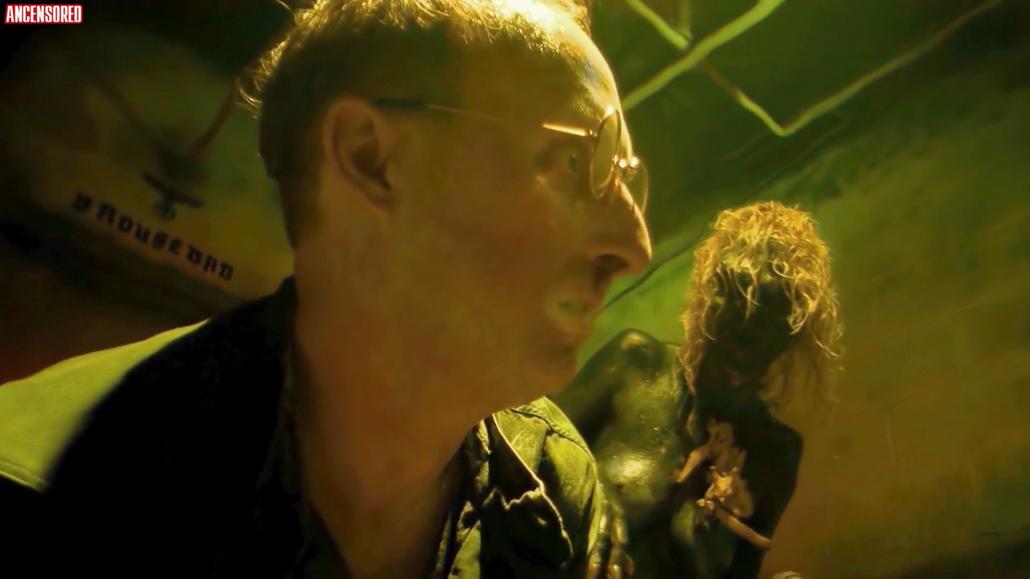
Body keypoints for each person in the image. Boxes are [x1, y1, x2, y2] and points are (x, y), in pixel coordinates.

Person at [0, 0, 652, 576]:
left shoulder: (553, 479)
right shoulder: (63, 485)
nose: (635, 246)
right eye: (576, 161)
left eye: (627, 179)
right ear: (372, 158)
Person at [553, 201, 842, 579]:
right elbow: (523, 441)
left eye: (768, 319)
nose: (746, 335)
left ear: (790, 334)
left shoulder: (776, 454)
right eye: (736, 303)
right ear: (710, 296)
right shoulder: (636, 363)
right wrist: (589, 484)